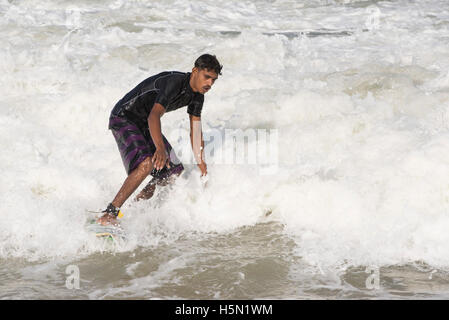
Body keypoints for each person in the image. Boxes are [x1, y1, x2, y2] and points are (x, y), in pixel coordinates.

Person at [96, 54, 222, 226]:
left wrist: (203, 168)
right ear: (195, 71)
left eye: (213, 80)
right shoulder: (174, 82)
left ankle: (133, 210)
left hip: (143, 121)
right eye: (206, 77)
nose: (209, 84)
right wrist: (160, 149)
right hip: (124, 117)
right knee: (147, 164)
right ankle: (109, 214)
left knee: (172, 171)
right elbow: (154, 115)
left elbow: (196, 132)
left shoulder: (198, 96)